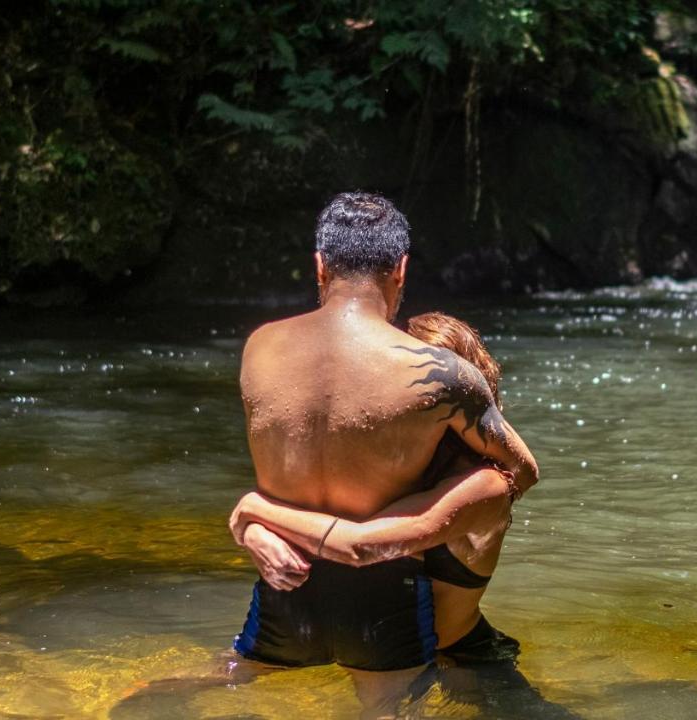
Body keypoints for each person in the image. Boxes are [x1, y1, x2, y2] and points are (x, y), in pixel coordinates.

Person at [227, 192, 539, 717]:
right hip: (384, 607)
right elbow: (523, 469)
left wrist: (252, 520)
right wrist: (436, 508)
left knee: (230, 692)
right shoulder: (442, 374)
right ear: (401, 269)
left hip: (284, 584)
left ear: (320, 266)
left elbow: (287, 466)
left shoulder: (260, 346)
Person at [230, 311, 521, 664]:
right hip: (392, 647)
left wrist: (251, 513)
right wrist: (257, 534)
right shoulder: (392, 469)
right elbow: (317, 522)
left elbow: (357, 546)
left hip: (467, 660)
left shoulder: (485, 485)